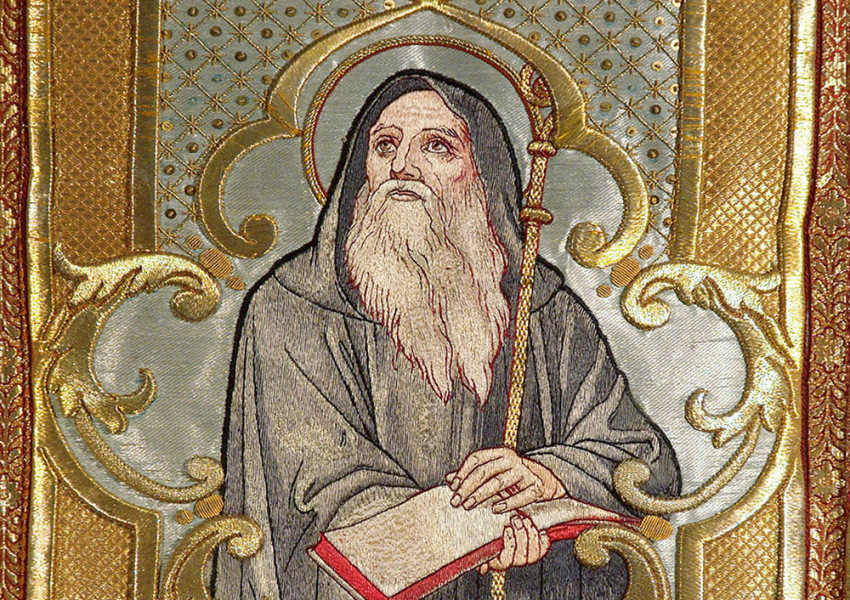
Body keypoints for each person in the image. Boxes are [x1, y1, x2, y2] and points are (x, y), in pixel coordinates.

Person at [216, 70, 680, 600]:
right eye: (384, 146)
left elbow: (643, 462)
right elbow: (320, 484)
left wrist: (547, 476)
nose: (401, 167)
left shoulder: (542, 309)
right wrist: (479, 529)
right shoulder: (292, 307)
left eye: (436, 146)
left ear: (482, 177)